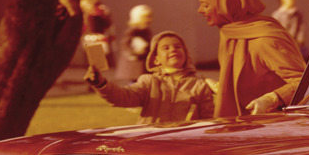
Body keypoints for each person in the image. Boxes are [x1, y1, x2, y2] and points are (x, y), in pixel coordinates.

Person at [195, 0, 306, 117]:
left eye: (206, 5)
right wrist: (221, 87)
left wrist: (272, 99)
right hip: (246, 123)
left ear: (226, 5)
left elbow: (305, 83)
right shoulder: (230, 32)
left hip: (273, 124)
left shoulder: (265, 39)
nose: (200, 10)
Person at [85, 30, 215, 124]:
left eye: (177, 47)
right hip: (149, 141)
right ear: (156, 59)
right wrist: (101, 84)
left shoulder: (199, 85)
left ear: (186, 54)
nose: (173, 50)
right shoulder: (149, 82)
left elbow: (208, 120)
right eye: (166, 48)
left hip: (184, 143)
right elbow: (123, 97)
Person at [115, 4, 154, 81]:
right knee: (135, 83)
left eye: (150, 17)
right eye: (146, 17)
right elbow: (125, 45)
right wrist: (133, 53)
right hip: (134, 65)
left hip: (143, 63)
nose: (149, 20)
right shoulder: (132, 31)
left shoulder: (146, 31)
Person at [80, 0, 114, 69]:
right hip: (87, 38)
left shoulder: (100, 13)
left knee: (98, 63)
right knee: (89, 60)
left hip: (97, 38)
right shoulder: (85, 14)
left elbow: (107, 25)